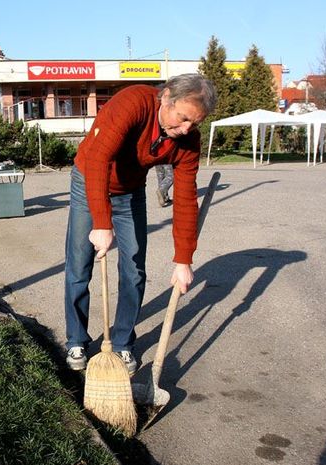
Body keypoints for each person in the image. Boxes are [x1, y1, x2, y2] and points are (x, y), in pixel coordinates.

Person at [64, 74, 217, 373]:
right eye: (184, 118)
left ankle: (122, 343)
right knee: (80, 265)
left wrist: (184, 260)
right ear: (167, 97)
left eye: (194, 123)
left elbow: (185, 198)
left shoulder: (188, 141)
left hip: (130, 192)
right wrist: (102, 223)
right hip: (88, 182)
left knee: (134, 270)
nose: (186, 129)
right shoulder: (133, 102)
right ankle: (76, 340)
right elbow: (97, 158)